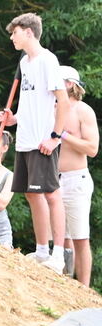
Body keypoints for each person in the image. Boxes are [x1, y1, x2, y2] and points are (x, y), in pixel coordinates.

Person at [0, 13, 71, 273]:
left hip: (42, 139)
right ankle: (41, 250)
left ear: (28, 32)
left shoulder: (47, 61)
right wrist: (11, 118)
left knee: (51, 193)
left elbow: (64, 101)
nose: (11, 37)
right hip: (25, 140)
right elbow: (30, 103)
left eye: (14, 32)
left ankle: (58, 256)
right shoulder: (24, 62)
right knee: (30, 193)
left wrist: (54, 136)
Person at [56, 65, 97, 285]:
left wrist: (63, 136)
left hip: (76, 179)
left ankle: (84, 289)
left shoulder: (83, 110)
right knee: (62, 238)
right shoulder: (51, 108)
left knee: (80, 237)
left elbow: (92, 149)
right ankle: (64, 284)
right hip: (54, 179)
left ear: (70, 84)